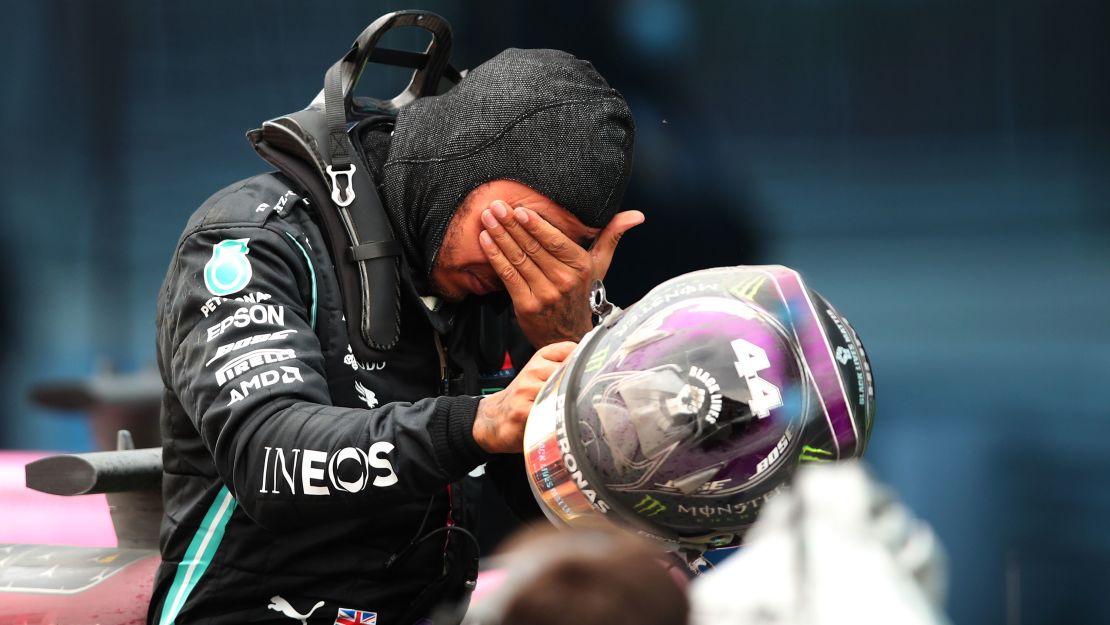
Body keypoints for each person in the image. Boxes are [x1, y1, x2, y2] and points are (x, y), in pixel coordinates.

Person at [148, 46, 641, 625]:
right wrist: (479, 422)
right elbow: (267, 458)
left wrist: (568, 346)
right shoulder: (253, 239)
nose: (529, 261)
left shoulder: (514, 292)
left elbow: (586, 520)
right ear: (459, 165)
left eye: (566, 245)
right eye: (520, 227)